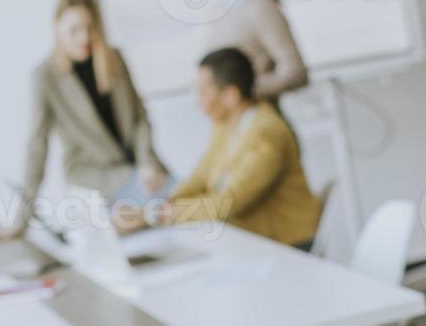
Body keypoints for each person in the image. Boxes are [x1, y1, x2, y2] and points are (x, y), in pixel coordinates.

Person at [0, 0, 167, 241]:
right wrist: (22, 221)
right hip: (96, 178)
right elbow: (37, 146)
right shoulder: (45, 78)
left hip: (141, 172)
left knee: (189, 203)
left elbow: (140, 120)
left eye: (90, 27)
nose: (84, 37)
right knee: (162, 212)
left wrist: (147, 162)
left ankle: (107, 226)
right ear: (57, 28)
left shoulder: (114, 59)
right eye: (74, 30)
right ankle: (100, 227)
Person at [120, 48, 320, 247]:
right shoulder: (226, 124)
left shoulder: (267, 133)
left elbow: (228, 203)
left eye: (204, 92)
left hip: (287, 243)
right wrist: (162, 207)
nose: (199, 101)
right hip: (249, 238)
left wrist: (155, 215)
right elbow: (201, 176)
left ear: (231, 96)